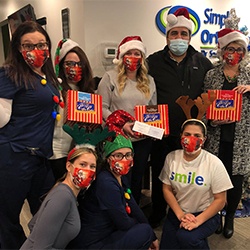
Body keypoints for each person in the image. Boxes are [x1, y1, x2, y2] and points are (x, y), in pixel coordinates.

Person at [147, 7, 213, 227]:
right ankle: (157, 213)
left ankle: (189, 215)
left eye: (184, 34)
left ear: (189, 37)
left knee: (190, 179)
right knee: (160, 176)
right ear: (167, 37)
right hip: (161, 134)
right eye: (174, 34)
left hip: (192, 134)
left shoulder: (202, 62)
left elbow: (213, 93)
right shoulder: (153, 62)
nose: (179, 38)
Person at [0, 20, 61, 249]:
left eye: (41, 44)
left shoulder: (45, 74)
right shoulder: (9, 74)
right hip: (14, 157)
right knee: (6, 217)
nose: (36, 50)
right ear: (17, 48)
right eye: (28, 45)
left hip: (40, 157)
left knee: (45, 213)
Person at [67, 130, 159, 249]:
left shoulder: (120, 177)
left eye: (128, 154)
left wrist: (153, 236)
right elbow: (123, 223)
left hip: (106, 234)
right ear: (108, 158)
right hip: (91, 244)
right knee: (143, 232)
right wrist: (147, 232)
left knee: (145, 230)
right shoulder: (106, 182)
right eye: (118, 155)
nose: (124, 159)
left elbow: (132, 205)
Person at [203, 9, 250, 239]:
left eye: (239, 49)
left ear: (244, 52)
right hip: (217, 134)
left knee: (236, 179)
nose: (234, 53)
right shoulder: (212, 75)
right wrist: (210, 120)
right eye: (230, 49)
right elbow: (203, 103)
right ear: (223, 51)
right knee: (216, 179)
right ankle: (216, 216)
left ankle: (230, 216)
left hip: (241, 136)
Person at [97, 36, 157, 204]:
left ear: (142, 57)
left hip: (142, 140)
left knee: (137, 178)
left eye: (137, 53)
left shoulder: (149, 81)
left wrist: (155, 128)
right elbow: (101, 107)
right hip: (118, 138)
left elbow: (153, 110)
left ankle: (134, 211)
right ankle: (118, 212)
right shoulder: (109, 77)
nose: (133, 57)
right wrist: (122, 124)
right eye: (129, 53)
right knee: (120, 178)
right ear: (122, 56)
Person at [159, 119, 233, 249]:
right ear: (181, 136)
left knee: (186, 238)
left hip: (206, 213)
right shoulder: (171, 157)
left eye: (197, 136)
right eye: (187, 134)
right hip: (178, 212)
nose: (191, 139)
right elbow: (167, 189)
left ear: (204, 139)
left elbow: (220, 200)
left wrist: (197, 221)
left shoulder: (214, 163)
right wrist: (181, 215)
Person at [20, 146, 97, 249]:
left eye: (92, 166)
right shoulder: (63, 197)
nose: (88, 170)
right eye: (83, 164)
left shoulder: (66, 193)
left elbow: (33, 224)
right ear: (69, 166)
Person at [49, 38, 96, 181]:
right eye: (69, 63)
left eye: (78, 64)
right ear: (62, 66)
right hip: (57, 153)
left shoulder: (89, 92)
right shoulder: (55, 89)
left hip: (78, 153)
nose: (74, 67)